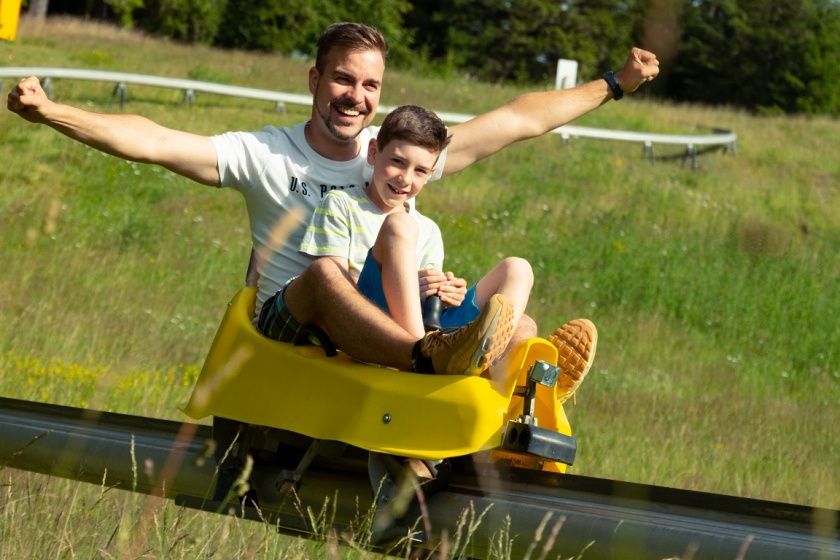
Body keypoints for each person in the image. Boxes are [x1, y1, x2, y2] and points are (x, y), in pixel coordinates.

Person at [6, 22, 657, 382]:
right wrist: (51, 111)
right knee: (322, 273)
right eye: (342, 78)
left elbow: (516, 120)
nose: (355, 95)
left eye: (369, 84)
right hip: (291, 325)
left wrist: (614, 84)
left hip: (381, 311)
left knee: (511, 302)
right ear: (315, 78)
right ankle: (427, 357)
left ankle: (515, 380)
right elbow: (152, 140)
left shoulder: (397, 152)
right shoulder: (269, 154)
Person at [299, 104, 535, 375]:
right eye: (397, 162)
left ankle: (501, 370)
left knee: (518, 271)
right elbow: (332, 286)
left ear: (431, 172)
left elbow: (429, 308)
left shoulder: (429, 230)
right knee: (399, 224)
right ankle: (421, 356)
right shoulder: (342, 204)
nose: (405, 178)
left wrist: (447, 295)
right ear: (374, 152)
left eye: (420, 171)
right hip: (370, 320)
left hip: (425, 326)